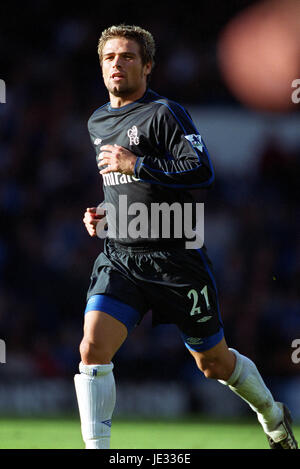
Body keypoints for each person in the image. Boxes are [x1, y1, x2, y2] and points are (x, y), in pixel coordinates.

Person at [74, 24, 298, 450]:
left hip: (176, 261)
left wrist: (136, 164)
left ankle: (271, 414)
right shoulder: (97, 121)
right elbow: (120, 186)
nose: (117, 64)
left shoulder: (165, 114)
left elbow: (202, 171)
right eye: (109, 58)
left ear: (147, 66)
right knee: (91, 350)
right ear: (101, 67)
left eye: (127, 57)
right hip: (121, 256)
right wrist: (104, 214)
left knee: (213, 363)